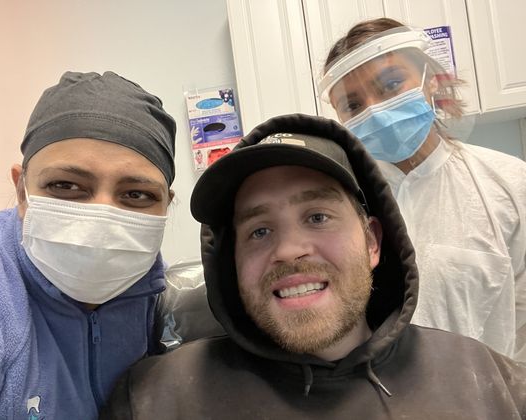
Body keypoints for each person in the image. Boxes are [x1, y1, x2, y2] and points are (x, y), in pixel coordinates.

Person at [101, 113, 526, 419]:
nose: (288, 250)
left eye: (317, 217)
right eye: (259, 231)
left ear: (373, 242)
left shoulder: (491, 386)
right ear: (232, 261)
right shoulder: (155, 401)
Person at [0, 71, 177, 419]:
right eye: (65, 186)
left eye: (136, 194)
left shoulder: (146, 286)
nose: (102, 221)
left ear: (164, 203)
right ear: (22, 191)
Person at [317, 18, 526, 361]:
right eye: (353, 105)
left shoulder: (509, 184)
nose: (375, 109)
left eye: (391, 84)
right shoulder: (340, 205)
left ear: (430, 82)